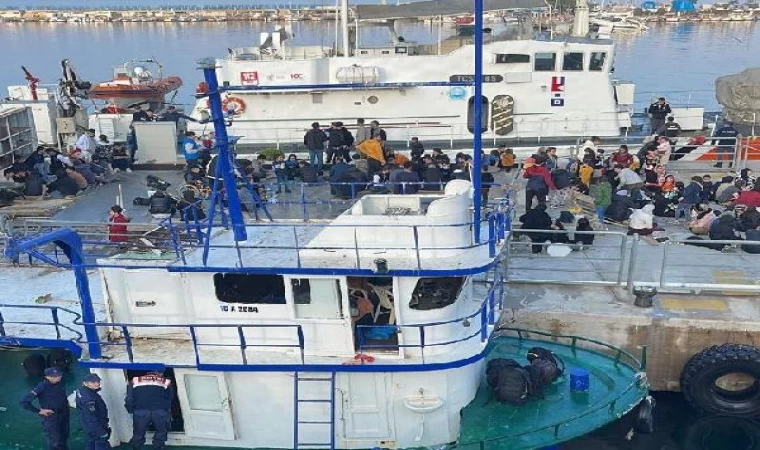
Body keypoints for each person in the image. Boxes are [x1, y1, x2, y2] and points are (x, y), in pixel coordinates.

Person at [20, 367, 70, 450]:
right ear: (47, 377)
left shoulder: (60, 383)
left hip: (64, 413)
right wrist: (38, 411)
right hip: (52, 416)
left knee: (64, 435)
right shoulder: (42, 386)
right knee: (55, 440)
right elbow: (24, 402)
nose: (58, 377)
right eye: (55, 376)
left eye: (59, 375)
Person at [125, 371, 174, 450]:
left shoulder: (134, 380)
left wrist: (130, 410)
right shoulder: (166, 381)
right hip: (159, 410)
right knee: (161, 431)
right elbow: (170, 398)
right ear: (160, 373)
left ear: (147, 372)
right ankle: (159, 447)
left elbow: (129, 399)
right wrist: (167, 410)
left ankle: (136, 447)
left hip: (140, 411)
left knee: (138, 433)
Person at [75, 373, 110, 450]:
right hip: (95, 425)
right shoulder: (89, 399)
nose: (97, 383)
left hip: (86, 423)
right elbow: (91, 417)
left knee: (91, 442)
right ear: (85, 383)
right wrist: (100, 431)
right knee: (101, 443)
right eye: (93, 382)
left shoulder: (81, 390)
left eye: (98, 381)